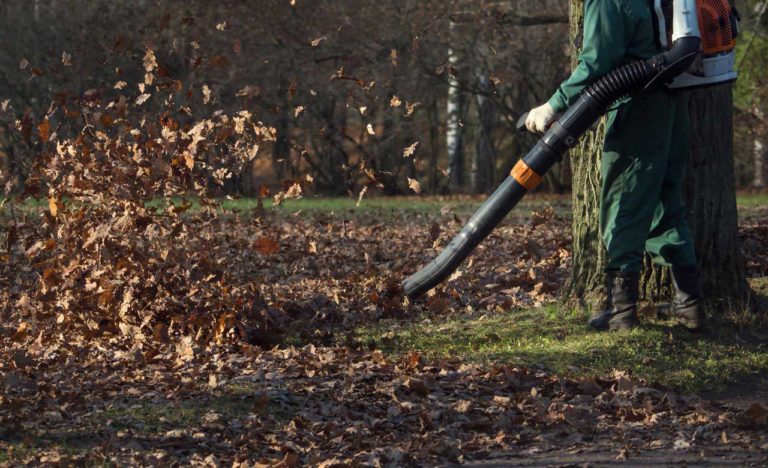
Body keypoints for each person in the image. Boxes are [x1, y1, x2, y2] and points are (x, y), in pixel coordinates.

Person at [525, 0, 704, 331]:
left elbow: (596, 64)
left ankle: (621, 312)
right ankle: (690, 305)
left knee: (624, 203)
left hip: (638, 108)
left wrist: (552, 105)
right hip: (671, 105)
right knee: (665, 202)